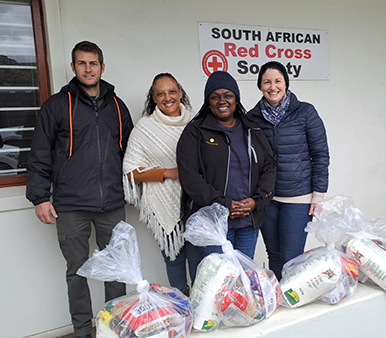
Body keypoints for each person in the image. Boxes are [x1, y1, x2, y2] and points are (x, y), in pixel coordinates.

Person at [26, 41, 134, 338]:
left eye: (93, 63)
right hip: (70, 205)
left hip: (111, 203)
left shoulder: (116, 105)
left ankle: (114, 328)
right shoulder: (57, 105)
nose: (88, 69)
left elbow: (129, 153)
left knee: (116, 270)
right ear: (73, 67)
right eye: (82, 63)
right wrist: (39, 198)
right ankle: (83, 331)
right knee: (77, 271)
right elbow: (39, 153)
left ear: (102, 67)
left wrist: (134, 191)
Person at [176, 71, 276, 259]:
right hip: (214, 224)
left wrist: (257, 201)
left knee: (243, 279)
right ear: (208, 102)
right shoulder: (196, 131)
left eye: (228, 95)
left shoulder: (251, 129)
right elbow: (189, 176)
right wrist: (224, 205)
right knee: (219, 281)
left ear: (236, 99)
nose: (222, 101)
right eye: (215, 97)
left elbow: (269, 166)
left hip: (248, 221)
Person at [248, 61, 330, 280]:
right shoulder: (252, 117)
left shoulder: (305, 112)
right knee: (274, 255)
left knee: (292, 257)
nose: (272, 87)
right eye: (267, 82)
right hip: (267, 198)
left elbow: (320, 154)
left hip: (298, 198)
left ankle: (294, 299)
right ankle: (279, 301)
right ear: (260, 86)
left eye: (277, 81)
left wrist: (318, 194)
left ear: (286, 83)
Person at [122, 73, 202, 296]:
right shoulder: (144, 129)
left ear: (180, 93)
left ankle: (200, 304)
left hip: (195, 201)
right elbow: (130, 170)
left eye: (172, 91)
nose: (168, 97)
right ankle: (181, 305)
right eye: (161, 93)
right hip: (162, 202)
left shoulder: (197, 122)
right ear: (153, 98)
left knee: (198, 257)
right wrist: (168, 173)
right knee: (174, 258)